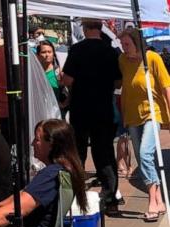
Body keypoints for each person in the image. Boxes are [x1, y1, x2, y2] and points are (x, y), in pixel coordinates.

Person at [0, 119, 88, 227]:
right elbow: (25, 194)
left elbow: (18, 210)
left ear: (51, 144)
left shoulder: (50, 175)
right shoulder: (63, 170)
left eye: (37, 140)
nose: (33, 143)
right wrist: (0, 206)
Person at [61, 18, 122, 212]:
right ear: (100, 29)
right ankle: (111, 199)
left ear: (86, 29)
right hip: (103, 109)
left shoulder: (77, 50)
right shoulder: (111, 52)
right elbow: (118, 83)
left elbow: (68, 79)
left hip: (81, 108)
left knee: (78, 153)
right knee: (104, 154)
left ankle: (78, 197)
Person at [118, 27, 169, 221]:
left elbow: (166, 87)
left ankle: (152, 201)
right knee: (142, 157)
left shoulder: (152, 58)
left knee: (145, 153)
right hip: (132, 114)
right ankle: (159, 199)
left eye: (127, 44)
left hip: (152, 112)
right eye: (122, 44)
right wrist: (123, 115)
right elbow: (125, 87)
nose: (123, 48)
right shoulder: (122, 60)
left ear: (136, 43)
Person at [37, 40, 68, 112]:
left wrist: (64, 104)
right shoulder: (35, 72)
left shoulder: (58, 72)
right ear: (38, 55)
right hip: (40, 111)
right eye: (43, 52)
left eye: (49, 52)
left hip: (56, 113)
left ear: (53, 54)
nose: (47, 55)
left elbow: (72, 89)